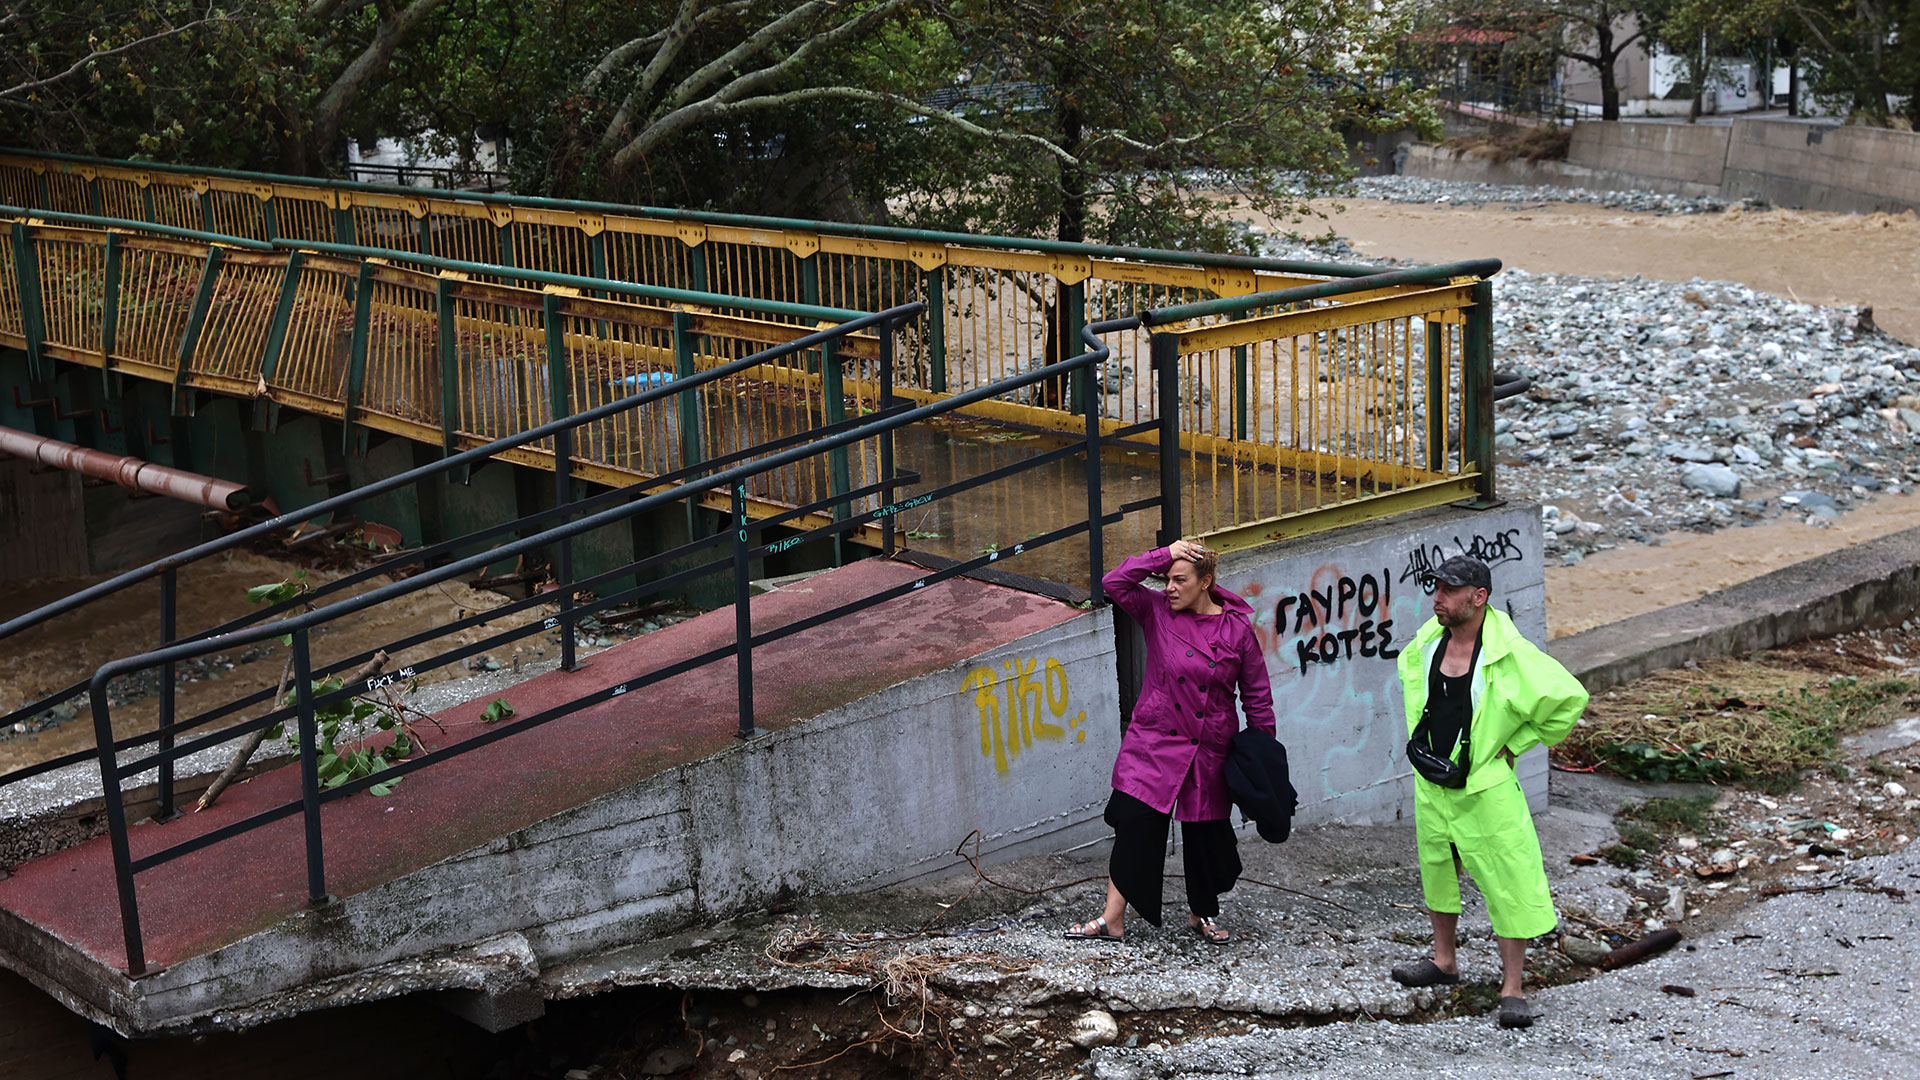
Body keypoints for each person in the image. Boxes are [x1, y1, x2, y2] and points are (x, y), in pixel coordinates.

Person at [1391, 554, 1588, 1029]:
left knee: (1507, 879)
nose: (1437, 598)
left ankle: (1512, 988)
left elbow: (1569, 699)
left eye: (1449, 590)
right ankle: (1444, 962)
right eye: (1436, 588)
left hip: (1484, 786)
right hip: (1434, 781)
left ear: (1478, 597)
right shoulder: (1428, 642)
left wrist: (1515, 744)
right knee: (1437, 869)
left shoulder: (1509, 653)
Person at [1065, 539, 1276, 945]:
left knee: (1206, 835)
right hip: (1155, 739)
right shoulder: (1157, 610)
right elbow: (1114, 582)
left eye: (1180, 580)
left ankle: (1202, 912)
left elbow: (1257, 697)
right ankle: (1112, 919)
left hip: (1209, 744)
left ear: (1206, 582)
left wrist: (1263, 757)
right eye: (1167, 580)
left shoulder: (1236, 630)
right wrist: (1164, 555)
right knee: (1134, 823)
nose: (1170, 588)